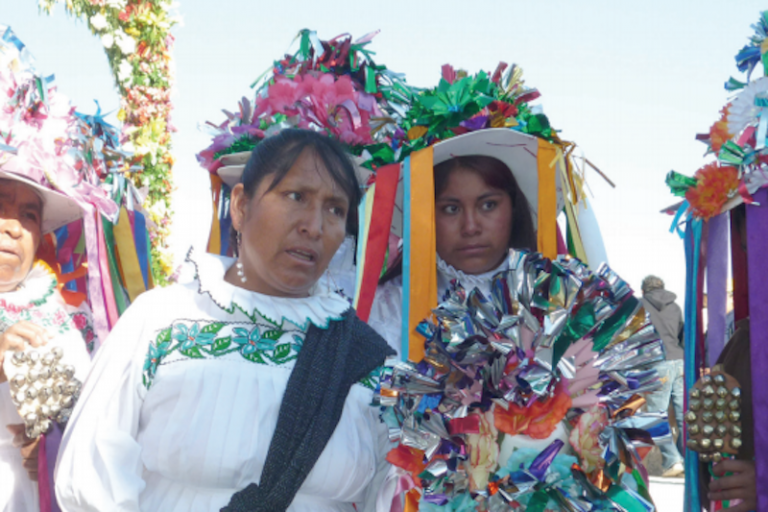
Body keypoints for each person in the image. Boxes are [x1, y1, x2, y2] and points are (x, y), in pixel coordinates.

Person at [55, 129, 395, 512]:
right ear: (240, 206)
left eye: (335, 209)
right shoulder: (161, 321)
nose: (314, 226)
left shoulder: (366, 357)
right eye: (296, 196)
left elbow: (394, 491)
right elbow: (93, 475)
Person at [0, 171, 92, 512]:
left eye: (29, 215)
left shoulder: (72, 315)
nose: (13, 227)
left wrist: (58, 449)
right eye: (0, 206)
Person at [640, 274, 685, 477]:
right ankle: (687, 460)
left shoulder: (640, 305)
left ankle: (672, 459)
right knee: (684, 415)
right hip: (680, 361)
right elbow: (682, 334)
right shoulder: (675, 307)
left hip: (658, 363)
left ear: (644, 290)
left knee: (655, 416)